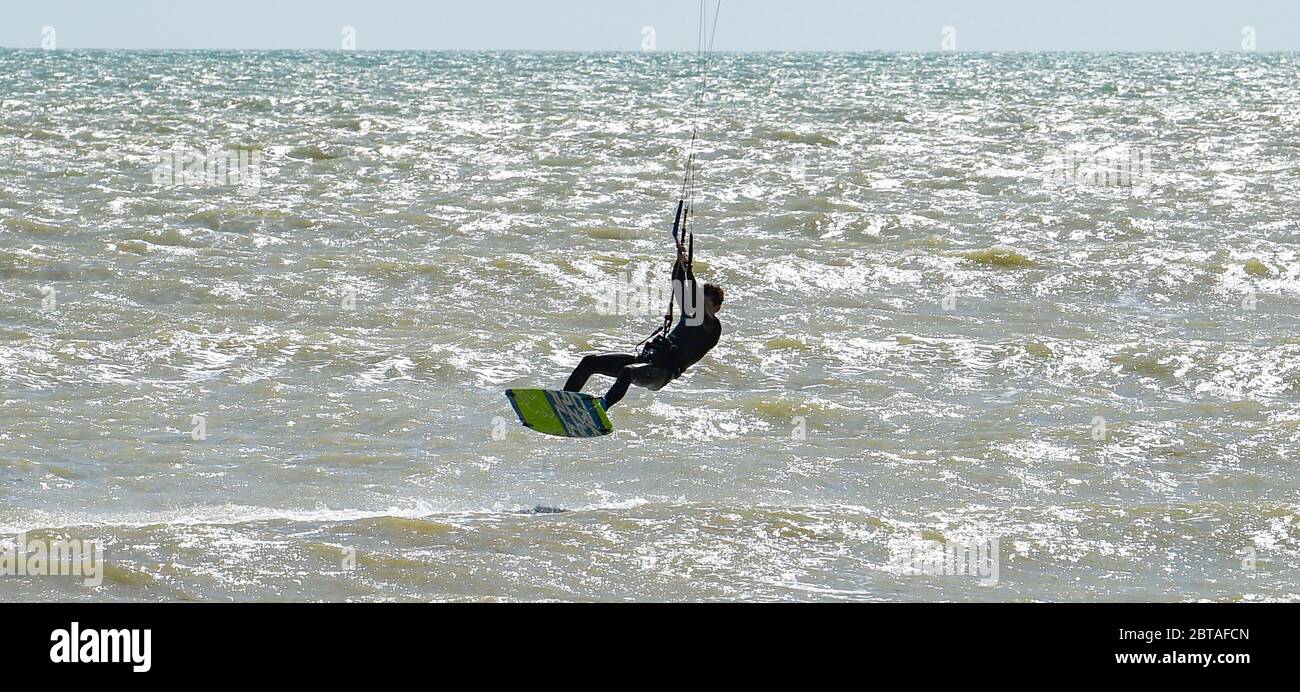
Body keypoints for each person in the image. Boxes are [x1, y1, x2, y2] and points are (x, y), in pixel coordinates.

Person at [564, 243, 723, 409]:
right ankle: (564, 403)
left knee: (628, 371)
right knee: (589, 362)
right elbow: (677, 283)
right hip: (647, 360)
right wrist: (679, 261)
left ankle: (601, 408)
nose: (697, 304)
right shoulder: (692, 314)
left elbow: (692, 298)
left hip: (662, 372)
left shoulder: (712, 328)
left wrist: (688, 272)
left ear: (716, 308)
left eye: (703, 304)